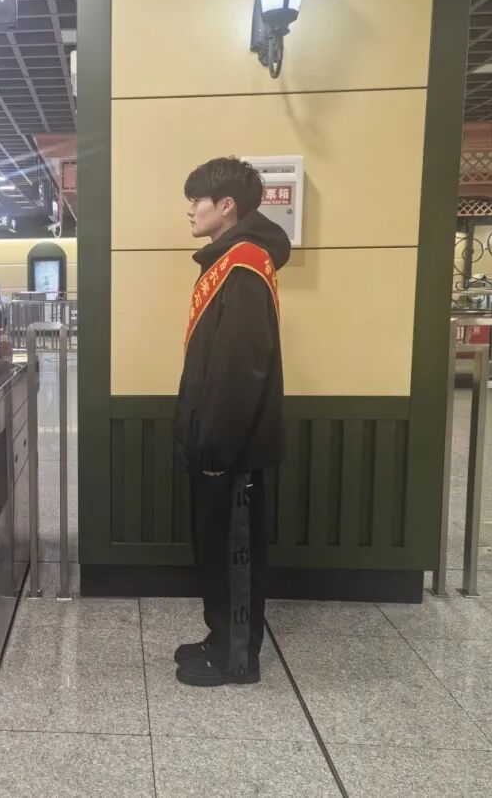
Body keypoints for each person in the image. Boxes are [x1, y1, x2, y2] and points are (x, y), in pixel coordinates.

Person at [173, 157, 290, 688]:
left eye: (196, 201)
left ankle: (237, 660)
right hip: (216, 442)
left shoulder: (244, 265)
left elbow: (241, 367)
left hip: (232, 450)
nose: (190, 211)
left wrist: (217, 449)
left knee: (235, 554)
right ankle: (220, 637)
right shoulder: (226, 262)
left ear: (226, 206)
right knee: (216, 551)